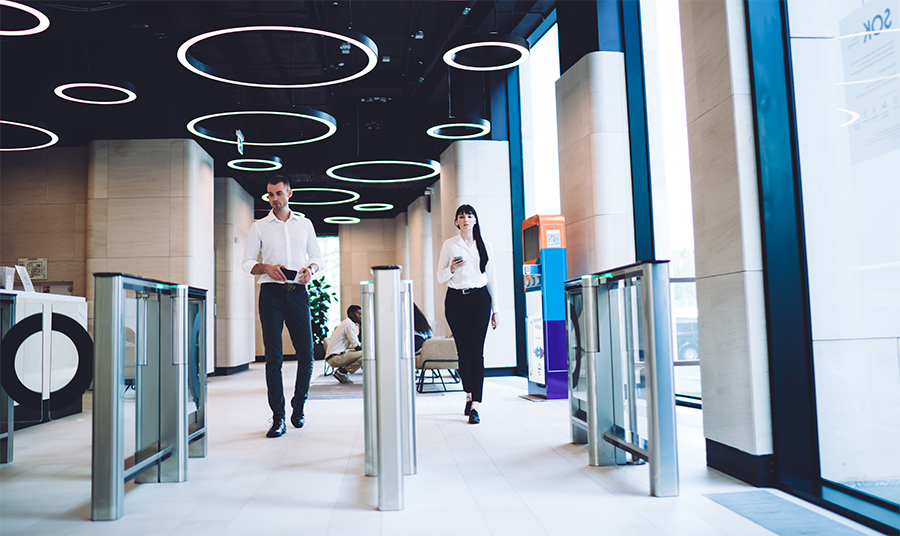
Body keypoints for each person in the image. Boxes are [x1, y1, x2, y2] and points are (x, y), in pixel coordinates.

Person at [242, 175, 323, 438]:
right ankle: (277, 418)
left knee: (307, 354)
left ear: (290, 193)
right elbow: (246, 263)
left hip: (299, 292)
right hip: (271, 295)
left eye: (278, 193)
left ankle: (298, 406)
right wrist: (266, 267)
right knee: (273, 357)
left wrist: (311, 269)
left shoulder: (305, 224)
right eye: (270, 195)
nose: (274, 199)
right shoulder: (259, 226)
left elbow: (317, 257)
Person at [436, 204, 498, 424]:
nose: (465, 219)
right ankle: (468, 393)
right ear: (456, 222)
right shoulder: (449, 245)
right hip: (455, 301)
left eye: (469, 215)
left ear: (475, 220)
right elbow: (440, 277)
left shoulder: (485, 245)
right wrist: (451, 269)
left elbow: (492, 279)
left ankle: (476, 405)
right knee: (463, 352)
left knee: (476, 352)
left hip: (480, 299)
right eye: (461, 216)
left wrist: (496, 310)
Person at [325, 305, 363, 384]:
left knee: (363, 353)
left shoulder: (346, 323)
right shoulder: (349, 324)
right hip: (335, 358)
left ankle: (342, 372)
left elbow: (358, 342)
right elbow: (357, 347)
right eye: (359, 314)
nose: (360, 316)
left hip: (333, 357)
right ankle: (342, 372)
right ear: (351, 314)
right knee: (367, 354)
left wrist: (361, 326)